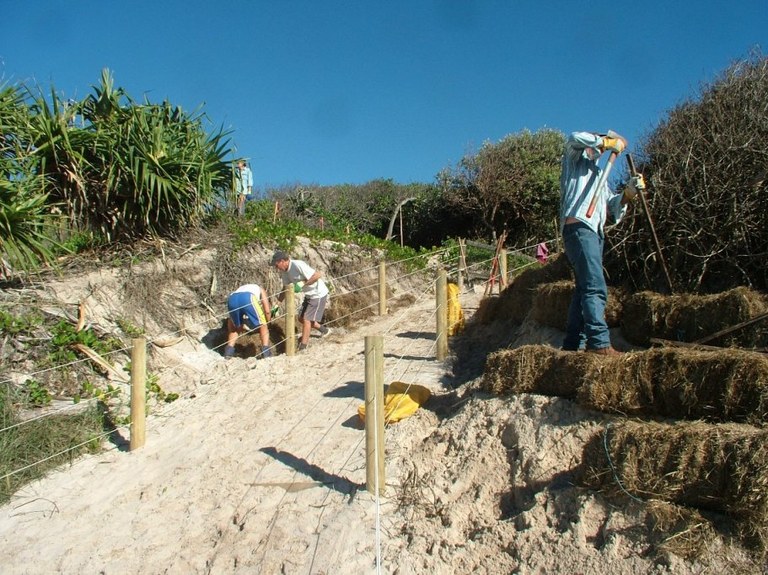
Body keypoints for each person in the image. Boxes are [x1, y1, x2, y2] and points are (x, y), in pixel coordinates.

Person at [559, 131, 645, 355]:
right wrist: (608, 141)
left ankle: (572, 344)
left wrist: (628, 192)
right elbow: (575, 137)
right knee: (595, 287)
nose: (598, 150)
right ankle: (598, 343)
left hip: (594, 232)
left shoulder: (599, 176)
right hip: (578, 228)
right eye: (597, 144)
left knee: (584, 289)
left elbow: (612, 208)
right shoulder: (574, 161)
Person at [270, 250, 331, 351]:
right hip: (309, 295)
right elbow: (286, 288)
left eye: (276, 265)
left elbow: (317, 275)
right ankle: (324, 330)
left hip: (318, 293)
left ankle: (303, 346)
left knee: (307, 319)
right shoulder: (284, 272)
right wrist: (277, 304)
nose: (276, 268)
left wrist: (303, 283)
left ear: (282, 261)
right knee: (301, 318)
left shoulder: (297, 265)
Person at [224, 283, 273, 359]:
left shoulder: (243, 288)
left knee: (235, 328)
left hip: (232, 298)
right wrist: (268, 323)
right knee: (263, 324)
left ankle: (228, 352)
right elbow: (267, 311)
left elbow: (231, 321)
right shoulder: (261, 289)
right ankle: (266, 352)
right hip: (248, 297)